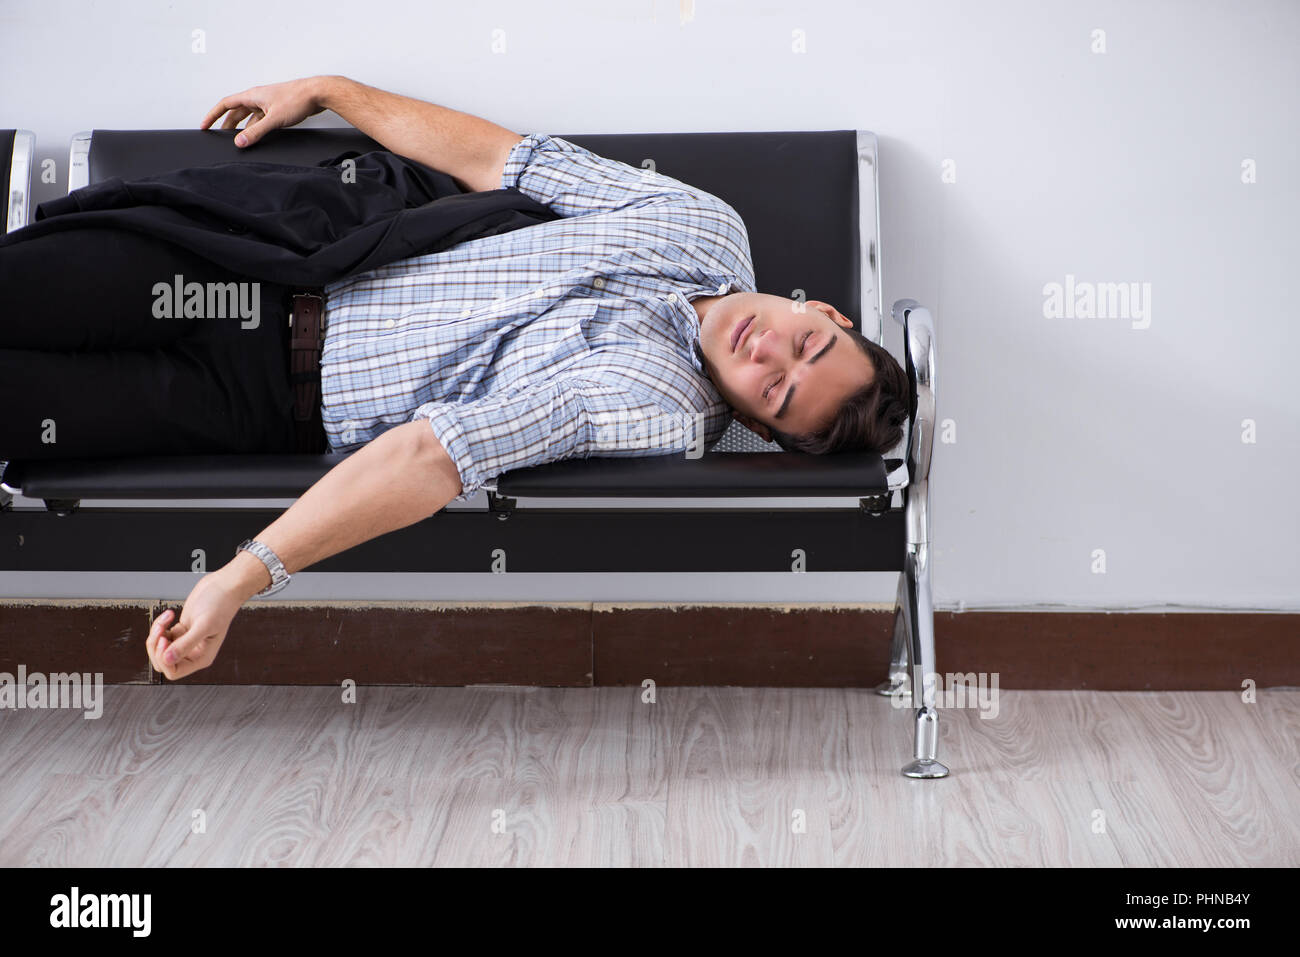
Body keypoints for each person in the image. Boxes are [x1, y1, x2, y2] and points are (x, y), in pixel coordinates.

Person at [8, 75, 912, 678]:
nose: (770, 354)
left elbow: (436, 452)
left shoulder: (657, 408)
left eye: (780, 393)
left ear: (761, 425)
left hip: (250, 403)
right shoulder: (702, 226)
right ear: (828, 312)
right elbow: (501, 158)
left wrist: (236, 581)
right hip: (257, 258)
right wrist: (329, 89)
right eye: (809, 345)